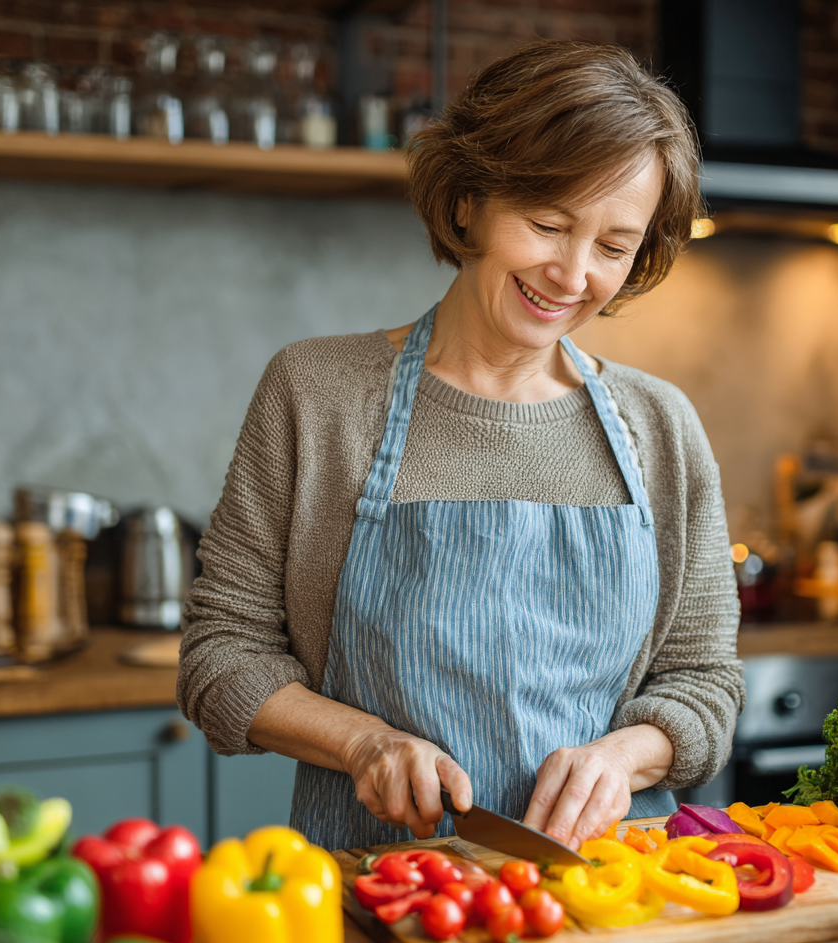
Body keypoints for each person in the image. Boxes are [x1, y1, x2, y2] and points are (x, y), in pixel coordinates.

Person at [178, 40, 743, 854]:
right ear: (471, 198)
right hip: (385, 890)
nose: (573, 274)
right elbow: (220, 655)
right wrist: (362, 744)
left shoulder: (661, 426)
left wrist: (623, 758)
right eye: (548, 224)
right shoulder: (316, 393)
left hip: (603, 893)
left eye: (614, 247)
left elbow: (705, 682)